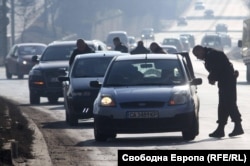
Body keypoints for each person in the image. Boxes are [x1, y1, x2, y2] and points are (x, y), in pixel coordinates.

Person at [192, 45, 244, 138]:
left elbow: (217, 67)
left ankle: (238, 126)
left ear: (201, 50)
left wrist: (211, 78)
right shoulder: (209, 55)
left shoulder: (213, 54)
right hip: (224, 81)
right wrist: (213, 77)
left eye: (197, 54)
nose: (197, 57)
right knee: (223, 106)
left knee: (229, 104)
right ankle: (220, 129)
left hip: (227, 81)